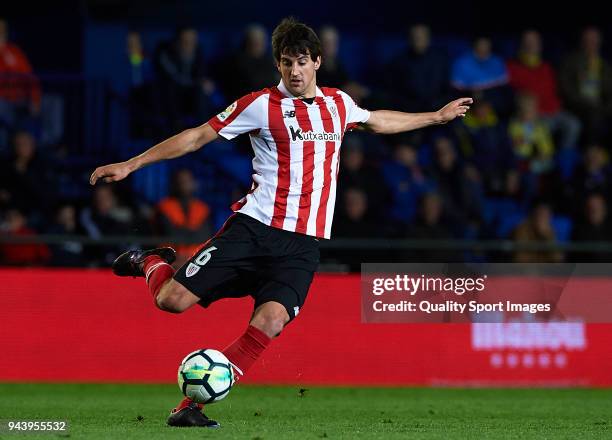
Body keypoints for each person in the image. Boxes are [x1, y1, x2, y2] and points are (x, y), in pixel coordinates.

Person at [89, 18, 471, 428]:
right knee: (170, 301)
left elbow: (378, 119)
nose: (293, 71)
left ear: (317, 63)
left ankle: (191, 407)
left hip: (302, 244)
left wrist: (436, 117)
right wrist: (132, 164)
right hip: (254, 230)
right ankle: (149, 261)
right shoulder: (259, 105)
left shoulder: (339, 105)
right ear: (278, 65)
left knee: (271, 321)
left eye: (301, 62)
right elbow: (199, 136)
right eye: (286, 62)